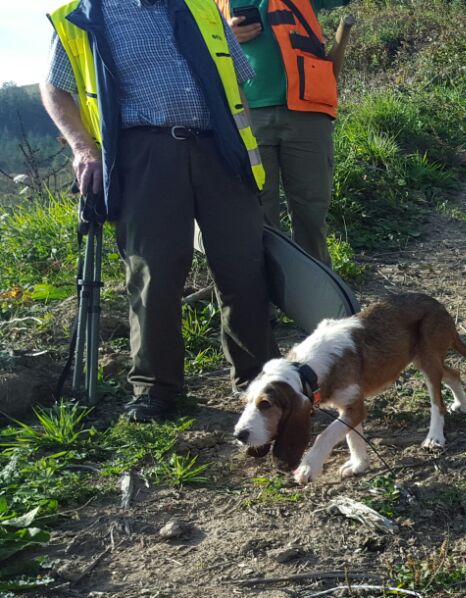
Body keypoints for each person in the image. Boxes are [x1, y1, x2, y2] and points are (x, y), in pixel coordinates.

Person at [41, 0, 277, 423]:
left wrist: (245, 145)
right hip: (143, 152)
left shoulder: (202, 9)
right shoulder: (85, 14)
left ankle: (260, 379)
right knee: (154, 272)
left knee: (243, 265)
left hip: (219, 149)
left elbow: (235, 83)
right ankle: (155, 389)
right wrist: (82, 148)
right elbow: (54, 87)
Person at [218, 0, 342, 264]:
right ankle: (265, 295)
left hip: (307, 112)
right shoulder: (214, 3)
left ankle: (316, 294)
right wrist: (226, 34)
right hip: (246, 115)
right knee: (259, 215)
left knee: (311, 212)